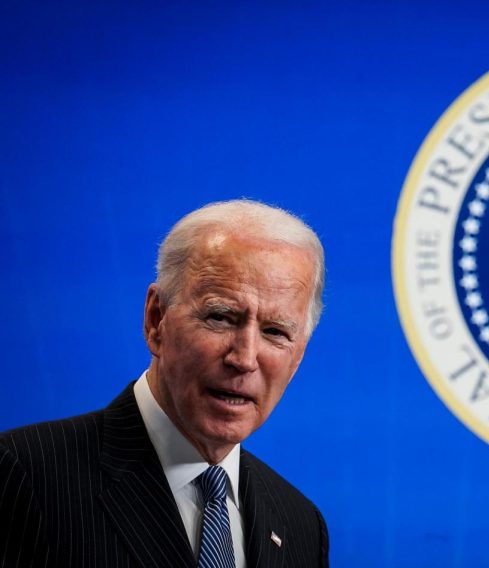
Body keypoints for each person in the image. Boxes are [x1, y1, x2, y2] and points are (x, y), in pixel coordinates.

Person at [0, 200, 329, 568]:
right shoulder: (23, 474)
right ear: (156, 320)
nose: (245, 358)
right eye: (220, 317)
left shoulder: (301, 525)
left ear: (297, 357)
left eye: (275, 332)